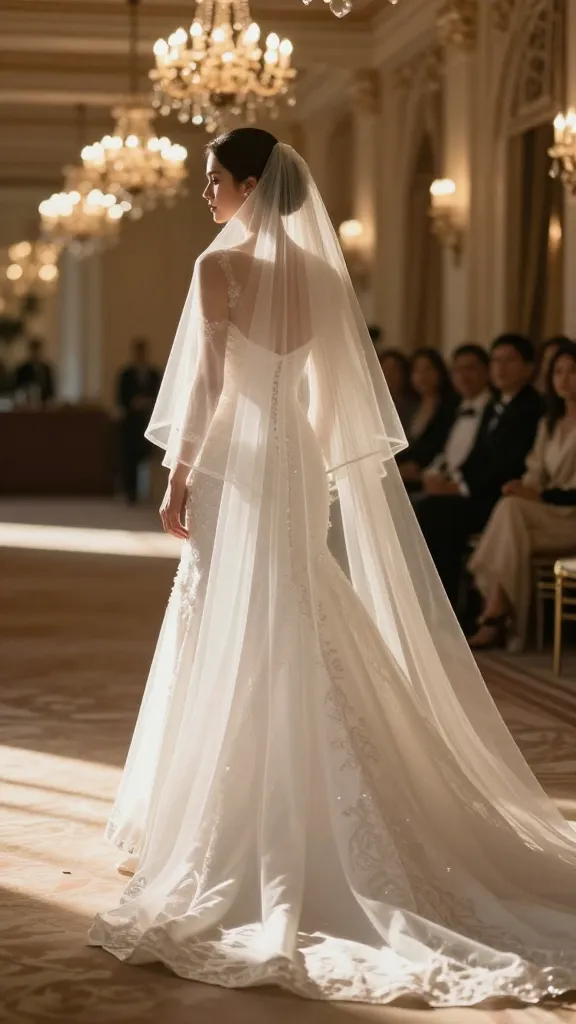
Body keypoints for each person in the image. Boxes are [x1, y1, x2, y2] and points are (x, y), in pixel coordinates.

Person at [89, 128, 576, 1005]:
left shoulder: (219, 269)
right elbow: (320, 400)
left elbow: (202, 386)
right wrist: (298, 467)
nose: (206, 196)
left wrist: (179, 476)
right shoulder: (318, 275)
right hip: (294, 465)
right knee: (297, 604)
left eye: (212, 182)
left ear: (245, 186)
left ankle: (212, 814)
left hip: (241, 463)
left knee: (233, 610)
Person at [415, 334, 543, 605]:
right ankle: (429, 602)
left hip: (499, 496)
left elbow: (510, 463)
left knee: (437, 513)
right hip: (480, 492)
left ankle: (447, 607)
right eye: (496, 360)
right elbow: (478, 458)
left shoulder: (532, 407)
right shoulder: (501, 405)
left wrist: (459, 487)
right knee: (427, 508)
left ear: (529, 368)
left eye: (509, 361)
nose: (500, 367)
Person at [468, 340, 576, 650]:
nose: (564, 379)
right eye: (558, 372)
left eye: (572, 371)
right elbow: (535, 468)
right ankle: (499, 609)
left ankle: (495, 611)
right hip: (543, 517)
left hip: (569, 516)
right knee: (512, 513)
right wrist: (524, 487)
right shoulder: (549, 423)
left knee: (512, 510)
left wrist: (536, 495)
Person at [420, 343, 492, 491]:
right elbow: (435, 447)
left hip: (473, 489)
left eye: (470, 369)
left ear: (487, 371)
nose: (463, 376)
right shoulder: (450, 406)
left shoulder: (495, 408)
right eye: (457, 370)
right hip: (441, 480)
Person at [397, 347, 457, 487]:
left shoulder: (449, 407)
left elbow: (439, 443)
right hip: (405, 468)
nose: (422, 376)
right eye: (417, 371)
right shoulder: (410, 406)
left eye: (428, 369)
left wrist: (417, 465)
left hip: (430, 471)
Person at [116, 338, 161, 504]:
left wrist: (148, 403)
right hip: (131, 423)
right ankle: (131, 493)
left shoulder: (154, 374)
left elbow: (161, 396)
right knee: (130, 459)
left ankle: (149, 492)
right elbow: (120, 399)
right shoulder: (126, 374)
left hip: (149, 420)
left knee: (149, 458)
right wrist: (133, 403)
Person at [377, 348, 416, 430]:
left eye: (394, 369)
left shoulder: (412, 406)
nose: (389, 374)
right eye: (385, 368)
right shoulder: (375, 403)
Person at [13, 337, 55, 406]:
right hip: (28, 402)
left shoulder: (46, 368)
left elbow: (50, 386)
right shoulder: (23, 368)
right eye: (34, 350)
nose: (36, 353)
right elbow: (18, 386)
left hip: (44, 402)